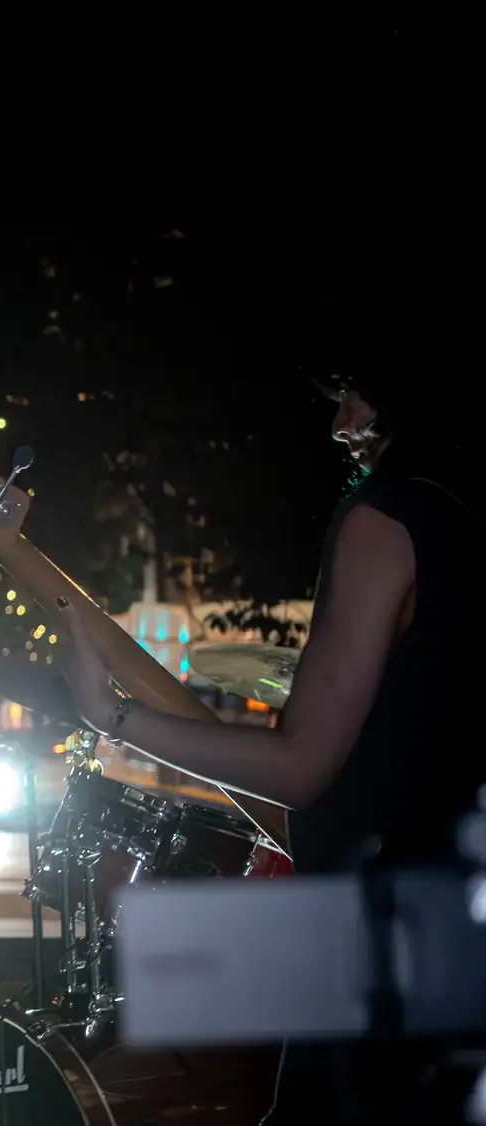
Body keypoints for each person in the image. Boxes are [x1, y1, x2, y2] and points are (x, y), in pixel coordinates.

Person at [54, 369, 484, 1124]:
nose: (340, 422)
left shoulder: (387, 518)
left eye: (357, 392)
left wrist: (110, 715)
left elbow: (302, 768)